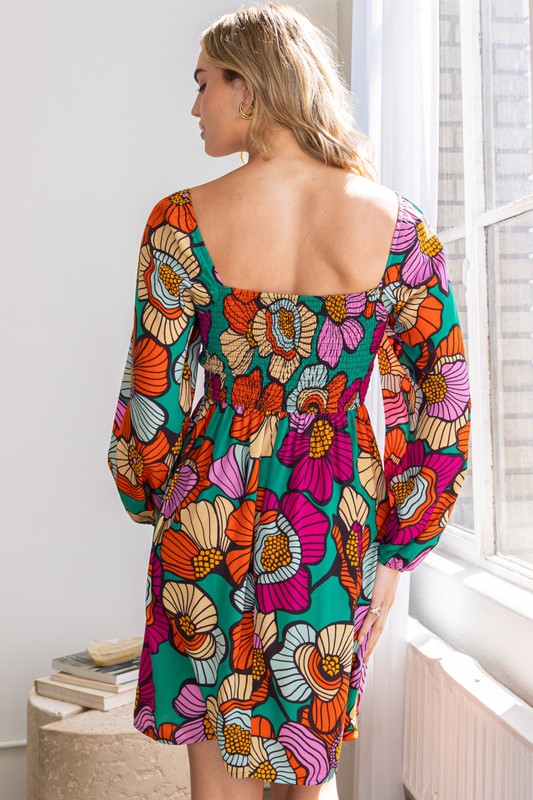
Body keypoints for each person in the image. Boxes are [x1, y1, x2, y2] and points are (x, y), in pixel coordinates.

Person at [107, 3, 470, 798]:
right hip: (333, 519)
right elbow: (440, 399)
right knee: (309, 769)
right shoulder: (399, 228)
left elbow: (151, 398)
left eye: (204, 83)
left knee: (217, 771)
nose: (194, 104)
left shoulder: (179, 221)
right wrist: (398, 545)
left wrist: (149, 494)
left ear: (249, 86)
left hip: (208, 510)